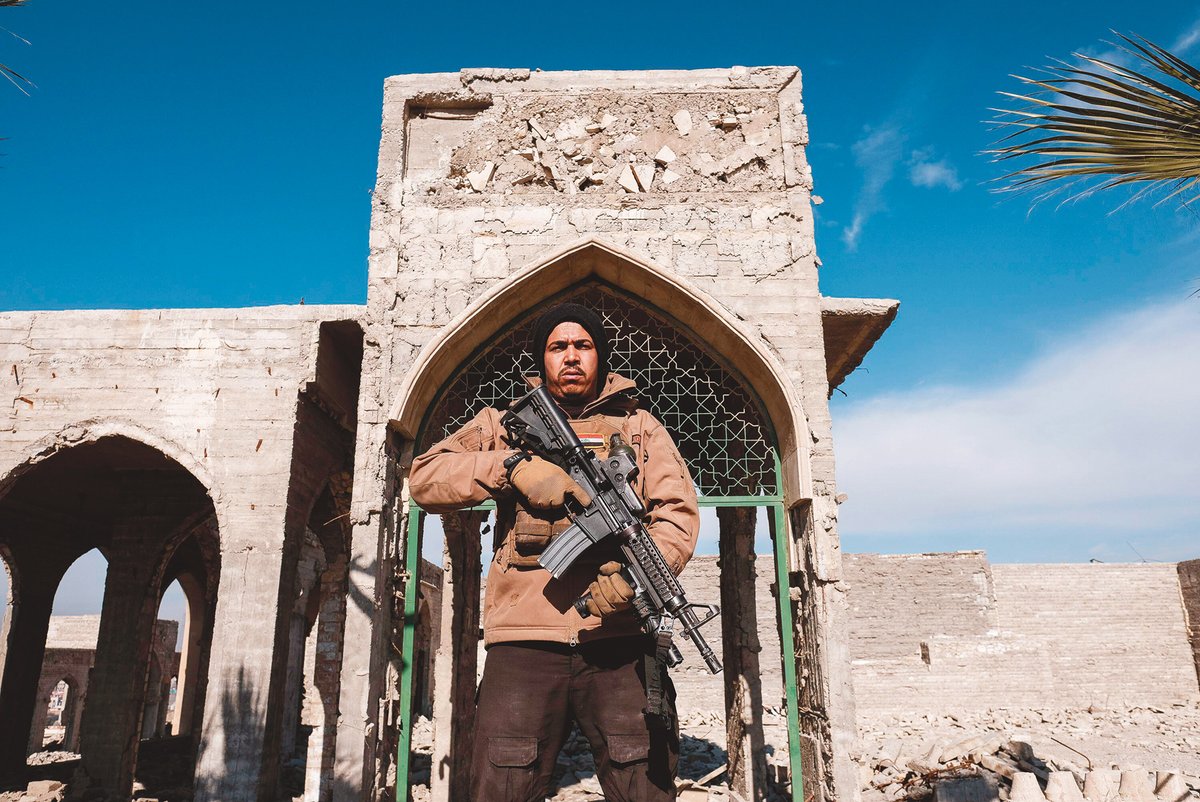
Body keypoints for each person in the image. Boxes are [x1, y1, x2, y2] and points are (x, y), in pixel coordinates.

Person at [410, 302, 700, 801]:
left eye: (583, 346)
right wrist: (510, 468)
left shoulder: (640, 429)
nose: (571, 357)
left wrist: (633, 582)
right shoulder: (501, 425)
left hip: (618, 640)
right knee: (504, 784)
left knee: (643, 783)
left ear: (600, 357)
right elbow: (425, 477)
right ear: (542, 359)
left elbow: (677, 513)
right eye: (558, 347)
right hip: (524, 641)